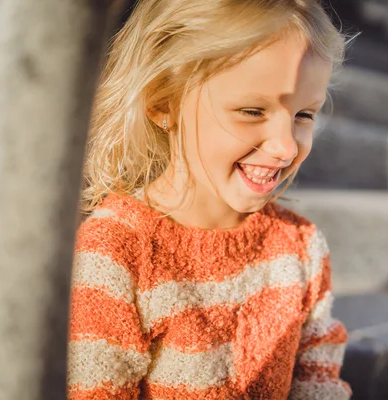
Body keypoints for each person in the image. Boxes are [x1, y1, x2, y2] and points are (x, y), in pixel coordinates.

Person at [67, 0, 353, 398]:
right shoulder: (115, 253)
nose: (287, 146)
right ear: (163, 103)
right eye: (252, 111)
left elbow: (318, 384)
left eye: (304, 115)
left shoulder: (300, 247)